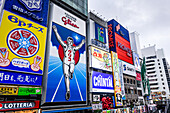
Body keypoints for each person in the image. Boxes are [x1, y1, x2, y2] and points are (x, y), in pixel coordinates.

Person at [52, 25, 85, 100]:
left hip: (72, 62)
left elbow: (79, 47)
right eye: (68, 41)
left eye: (71, 41)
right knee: (66, 75)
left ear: (72, 42)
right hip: (66, 61)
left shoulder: (73, 48)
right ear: (67, 41)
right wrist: (56, 31)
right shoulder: (65, 46)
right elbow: (59, 39)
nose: (69, 42)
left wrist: (82, 43)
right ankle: (68, 90)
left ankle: (72, 72)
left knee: (71, 70)